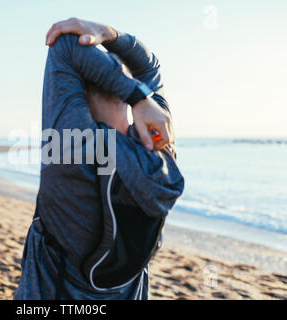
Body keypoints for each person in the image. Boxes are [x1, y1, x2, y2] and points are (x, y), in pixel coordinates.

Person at [14, 18, 184, 300]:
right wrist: (109, 34)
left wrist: (138, 98)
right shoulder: (160, 145)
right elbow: (149, 65)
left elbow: (65, 45)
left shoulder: (72, 144)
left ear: (76, 93)